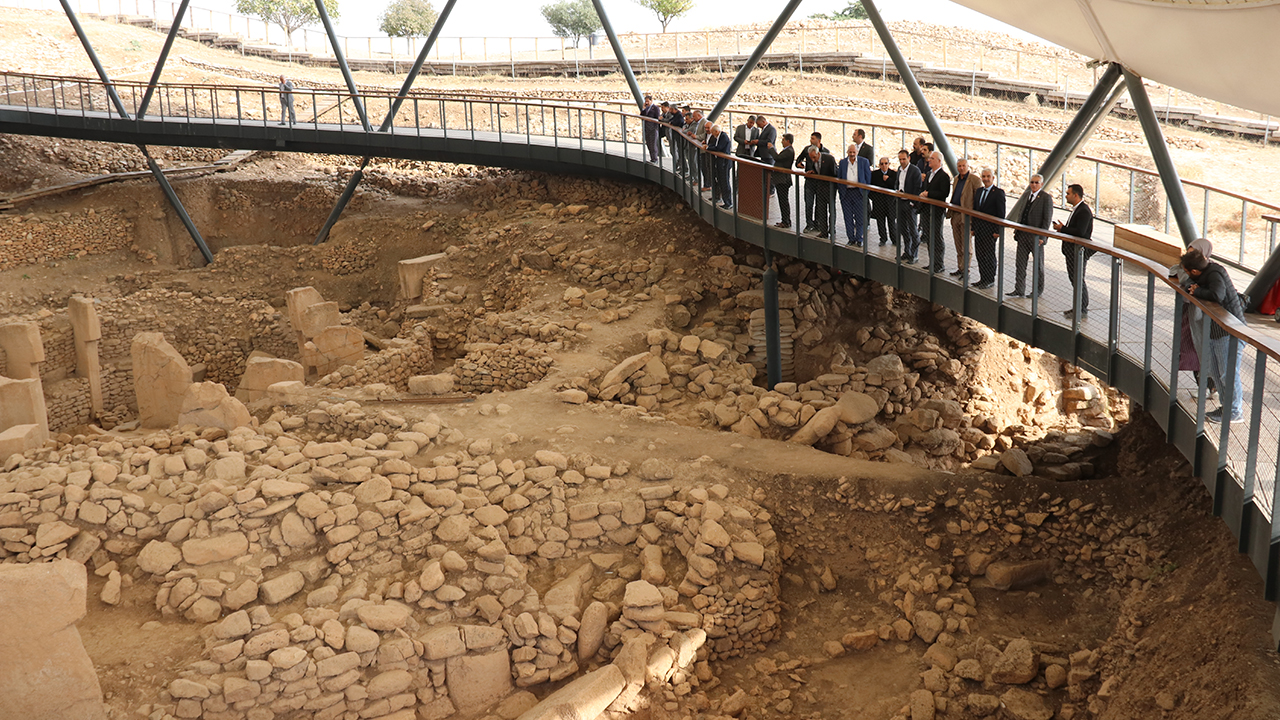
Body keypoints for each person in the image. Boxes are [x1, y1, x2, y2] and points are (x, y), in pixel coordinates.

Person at [1181, 247, 1245, 423]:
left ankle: (1235, 411)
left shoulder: (1215, 273)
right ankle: (1227, 408)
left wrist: (1197, 290)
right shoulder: (1203, 272)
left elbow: (1217, 294)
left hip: (1230, 331)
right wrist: (1193, 287)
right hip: (1215, 330)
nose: (1186, 274)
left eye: (1187, 271)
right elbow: (1186, 282)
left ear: (1195, 270)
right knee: (1216, 372)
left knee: (1227, 373)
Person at [1053, 183, 1095, 318]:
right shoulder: (1078, 209)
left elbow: (1080, 232)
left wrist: (1062, 229)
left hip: (1078, 251)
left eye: (1068, 193)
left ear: (1075, 195)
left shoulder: (1083, 211)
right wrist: (1063, 227)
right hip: (1072, 251)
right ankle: (1078, 307)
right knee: (1074, 279)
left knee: (1078, 279)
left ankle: (1082, 309)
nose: (1066, 196)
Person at [1011, 175, 1053, 297]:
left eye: (1036, 182)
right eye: (1032, 182)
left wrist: (1042, 237)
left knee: (1038, 266)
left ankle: (1037, 291)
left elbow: (1047, 219)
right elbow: (1021, 213)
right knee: (1020, 263)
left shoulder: (1046, 198)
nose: (1034, 184)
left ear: (1042, 184)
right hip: (1023, 235)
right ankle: (1019, 289)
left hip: (1036, 237)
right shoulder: (1026, 195)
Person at [970, 167, 1005, 289]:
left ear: (993, 178)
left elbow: (1001, 213)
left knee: (989, 255)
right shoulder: (979, 191)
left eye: (988, 177)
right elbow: (975, 210)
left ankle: (990, 279)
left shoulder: (998, 193)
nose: (986, 179)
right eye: (984, 177)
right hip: (979, 229)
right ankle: (982, 278)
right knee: (980, 254)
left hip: (990, 231)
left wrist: (998, 230)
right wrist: (973, 227)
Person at [947, 158, 981, 276]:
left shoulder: (974, 180)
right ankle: (960, 267)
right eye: (959, 166)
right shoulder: (956, 179)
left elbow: (977, 200)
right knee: (958, 242)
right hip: (955, 214)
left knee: (966, 244)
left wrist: (974, 218)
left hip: (966, 216)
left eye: (963, 166)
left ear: (968, 166)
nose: (961, 168)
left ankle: (966, 269)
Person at [920, 151, 951, 272]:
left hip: (937, 211)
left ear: (939, 161)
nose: (929, 160)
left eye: (932, 158)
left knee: (937, 237)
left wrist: (929, 194)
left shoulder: (944, 176)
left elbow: (944, 193)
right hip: (926, 210)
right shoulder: (929, 174)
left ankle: (939, 264)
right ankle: (932, 262)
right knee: (929, 237)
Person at [837, 143, 872, 246]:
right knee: (848, 217)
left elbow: (868, 178)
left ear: (857, 152)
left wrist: (865, 193)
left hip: (859, 193)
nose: (852, 154)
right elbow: (839, 178)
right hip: (846, 194)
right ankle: (851, 238)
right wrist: (841, 192)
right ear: (847, 152)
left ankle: (859, 238)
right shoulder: (843, 162)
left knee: (860, 217)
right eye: (850, 152)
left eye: (854, 152)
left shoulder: (864, 162)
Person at [895, 149, 923, 263]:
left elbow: (917, 187)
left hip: (910, 204)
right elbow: (897, 183)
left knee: (913, 230)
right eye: (900, 159)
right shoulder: (899, 170)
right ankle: (907, 251)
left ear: (909, 158)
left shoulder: (915, 171)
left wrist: (912, 202)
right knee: (902, 228)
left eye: (904, 159)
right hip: (901, 202)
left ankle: (914, 254)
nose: (902, 161)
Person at [797, 132, 829, 233]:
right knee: (809, 203)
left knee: (819, 204)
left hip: (820, 183)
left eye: (813, 138)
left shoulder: (825, 152)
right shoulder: (807, 149)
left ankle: (817, 223)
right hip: (809, 182)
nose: (811, 140)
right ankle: (809, 224)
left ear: (819, 140)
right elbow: (798, 160)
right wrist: (801, 165)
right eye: (810, 138)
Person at [806, 145, 838, 239]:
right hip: (819, 188)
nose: (813, 159)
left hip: (830, 188)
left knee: (831, 209)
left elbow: (834, 173)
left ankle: (832, 230)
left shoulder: (829, 159)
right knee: (821, 209)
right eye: (811, 158)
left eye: (814, 157)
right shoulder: (813, 161)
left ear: (818, 153)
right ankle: (823, 231)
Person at [869, 157, 897, 246]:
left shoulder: (894, 174)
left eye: (886, 163)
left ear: (889, 164)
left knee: (891, 222)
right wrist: (874, 198)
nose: (884, 165)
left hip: (890, 202)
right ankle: (883, 238)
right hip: (879, 202)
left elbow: (895, 186)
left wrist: (888, 180)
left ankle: (894, 239)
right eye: (882, 164)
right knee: (880, 222)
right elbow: (870, 188)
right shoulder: (874, 174)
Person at [706, 124, 734, 209]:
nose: (712, 135)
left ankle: (728, 202)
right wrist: (708, 146)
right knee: (721, 182)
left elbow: (719, 148)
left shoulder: (723, 137)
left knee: (725, 182)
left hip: (724, 163)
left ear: (716, 131)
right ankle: (724, 200)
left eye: (713, 133)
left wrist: (708, 148)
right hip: (720, 163)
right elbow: (713, 145)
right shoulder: (718, 137)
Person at [772, 133, 796, 228]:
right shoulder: (787, 150)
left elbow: (777, 158)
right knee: (782, 201)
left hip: (783, 180)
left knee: (783, 201)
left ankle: (786, 221)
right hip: (781, 179)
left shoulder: (789, 151)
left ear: (788, 141)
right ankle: (785, 220)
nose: (782, 142)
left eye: (783, 140)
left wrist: (771, 149)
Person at [641, 95, 662, 162]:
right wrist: (643, 109)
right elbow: (642, 115)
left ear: (651, 101)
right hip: (647, 128)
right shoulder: (646, 108)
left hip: (653, 128)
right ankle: (652, 157)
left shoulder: (655, 108)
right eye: (646, 101)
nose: (646, 103)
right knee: (648, 143)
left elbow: (657, 117)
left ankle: (655, 158)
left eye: (648, 101)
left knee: (653, 144)